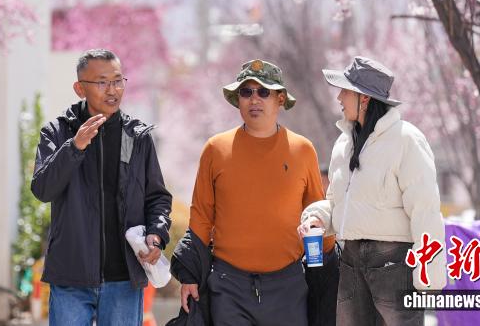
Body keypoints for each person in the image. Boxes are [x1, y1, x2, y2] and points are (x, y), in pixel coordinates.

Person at [180, 59, 330, 326]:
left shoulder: (303, 150)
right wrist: (189, 275)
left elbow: (318, 214)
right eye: (246, 92)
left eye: (263, 92)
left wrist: (331, 265)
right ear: (238, 99)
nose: (254, 99)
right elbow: (201, 216)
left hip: (288, 287)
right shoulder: (215, 149)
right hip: (228, 285)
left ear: (280, 99)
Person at [299, 56, 447, 326]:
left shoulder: (407, 139)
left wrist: (430, 278)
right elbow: (337, 203)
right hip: (351, 263)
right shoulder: (343, 144)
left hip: (396, 264)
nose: (339, 98)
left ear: (364, 98)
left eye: (345, 91)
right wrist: (316, 217)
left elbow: (425, 210)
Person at [31, 49, 172, 326]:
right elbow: (42, 189)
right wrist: (75, 147)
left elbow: (157, 197)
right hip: (71, 275)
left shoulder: (136, 136)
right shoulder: (57, 132)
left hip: (124, 278)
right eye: (102, 82)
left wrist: (156, 235)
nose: (113, 90)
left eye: (118, 81)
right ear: (80, 88)